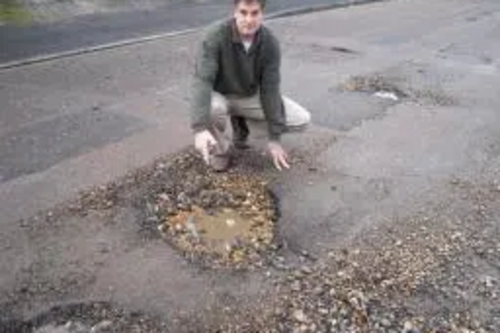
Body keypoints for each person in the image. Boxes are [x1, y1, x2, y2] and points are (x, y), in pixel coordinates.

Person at [190, 0, 311, 171]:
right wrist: (199, 128)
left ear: (262, 13)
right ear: (235, 12)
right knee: (211, 108)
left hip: (249, 96)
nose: (249, 19)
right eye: (243, 12)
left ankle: (242, 124)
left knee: (301, 120)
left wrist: (274, 138)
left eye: (254, 13)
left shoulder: (269, 43)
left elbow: (270, 89)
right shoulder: (214, 36)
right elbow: (202, 81)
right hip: (220, 95)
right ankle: (220, 150)